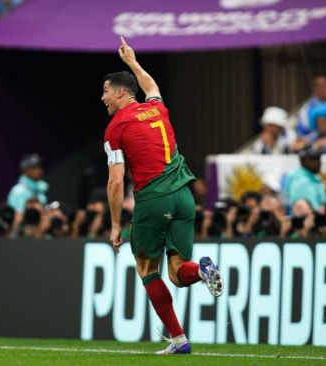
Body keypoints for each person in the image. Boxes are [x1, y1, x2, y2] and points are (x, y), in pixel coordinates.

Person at [102, 37, 223, 355]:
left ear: (120, 92)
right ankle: (202, 270)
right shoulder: (157, 109)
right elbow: (151, 84)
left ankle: (179, 338)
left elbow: (116, 183)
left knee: (146, 268)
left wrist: (115, 225)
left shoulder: (115, 128)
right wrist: (132, 62)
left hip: (153, 200)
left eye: (105, 92)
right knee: (179, 273)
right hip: (184, 196)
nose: (103, 99)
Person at [7, 153, 49, 234]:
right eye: (35, 167)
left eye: (40, 167)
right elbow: (18, 219)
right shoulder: (18, 191)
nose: (39, 170)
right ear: (25, 170)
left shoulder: (40, 189)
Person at [284, 145, 326, 211]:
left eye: (319, 158)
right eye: (313, 159)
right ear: (302, 161)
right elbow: (315, 211)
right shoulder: (302, 182)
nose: (319, 162)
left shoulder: (311, 178)